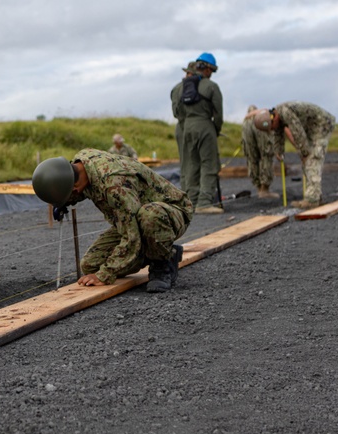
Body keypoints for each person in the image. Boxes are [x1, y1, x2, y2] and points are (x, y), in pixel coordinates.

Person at [32, 150, 193, 293]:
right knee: (90, 266)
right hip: (132, 216)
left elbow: (132, 236)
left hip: (170, 212)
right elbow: (83, 188)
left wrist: (105, 275)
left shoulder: (113, 185)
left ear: (73, 188)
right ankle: (156, 248)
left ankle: (162, 263)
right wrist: (64, 202)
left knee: (150, 215)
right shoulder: (81, 163)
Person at [251, 102, 335, 209]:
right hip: (312, 127)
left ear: (273, 119)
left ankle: (312, 200)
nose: (272, 130)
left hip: (322, 123)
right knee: (308, 161)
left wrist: (303, 152)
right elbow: (278, 133)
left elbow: (297, 132)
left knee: (312, 158)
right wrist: (279, 151)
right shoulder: (277, 116)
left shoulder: (285, 112)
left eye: (271, 127)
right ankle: (315, 196)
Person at [180, 53, 224, 214]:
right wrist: (216, 130)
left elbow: (178, 110)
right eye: (211, 70)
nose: (210, 74)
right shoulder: (211, 86)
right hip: (205, 125)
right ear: (207, 69)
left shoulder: (183, 86)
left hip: (187, 127)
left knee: (191, 164)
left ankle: (190, 202)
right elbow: (218, 114)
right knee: (209, 163)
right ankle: (204, 202)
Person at [242, 105, 278, 199]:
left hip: (246, 127)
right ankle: (264, 188)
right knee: (266, 155)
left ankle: (258, 187)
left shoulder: (246, 120)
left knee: (251, 157)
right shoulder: (263, 114)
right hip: (260, 122)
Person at [170, 62, 198, 160]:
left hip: (185, 128)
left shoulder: (177, 88)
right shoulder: (195, 87)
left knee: (187, 163)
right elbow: (176, 112)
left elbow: (175, 112)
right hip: (187, 127)